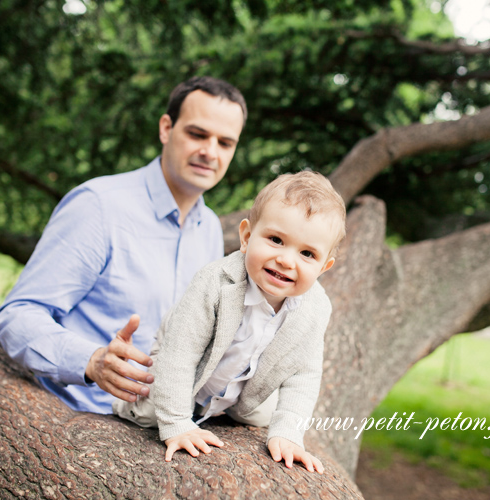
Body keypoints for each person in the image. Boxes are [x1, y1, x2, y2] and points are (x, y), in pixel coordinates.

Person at [0, 77, 247, 414]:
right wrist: (92, 361)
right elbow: (15, 317)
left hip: (163, 423)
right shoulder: (98, 206)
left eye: (225, 143)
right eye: (197, 134)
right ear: (166, 128)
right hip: (83, 417)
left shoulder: (209, 229)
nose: (210, 152)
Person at [112, 171, 347, 473]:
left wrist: (289, 432)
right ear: (247, 237)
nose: (287, 261)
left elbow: (303, 375)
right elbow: (179, 354)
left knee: (265, 418)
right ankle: (130, 406)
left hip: (246, 391)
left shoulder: (315, 308)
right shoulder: (215, 282)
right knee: (148, 412)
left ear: (324, 266)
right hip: (185, 371)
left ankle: (236, 413)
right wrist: (177, 424)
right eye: (276, 240)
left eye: (307, 253)